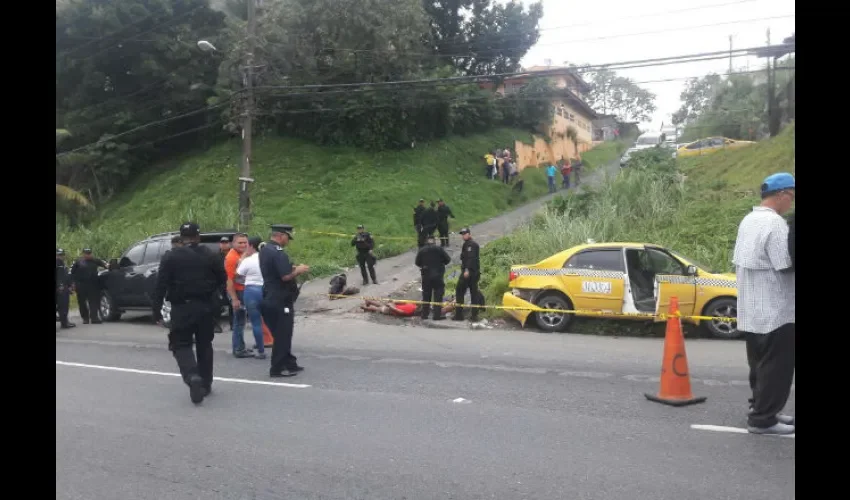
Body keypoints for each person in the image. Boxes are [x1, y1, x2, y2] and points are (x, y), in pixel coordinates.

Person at [732, 172, 796, 435]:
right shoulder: (776, 225)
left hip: (752, 311)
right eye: (791, 196)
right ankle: (763, 420)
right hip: (776, 312)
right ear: (781, 195)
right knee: (776, 368)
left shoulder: (749, 220)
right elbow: (786, 266)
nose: (791, 202)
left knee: (759, 366)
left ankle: (761, 408)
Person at [153, 222, 227, 404]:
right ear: (198, 236)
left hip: (182, 308)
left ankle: (192, 376)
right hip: (205, 307)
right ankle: (206, 383)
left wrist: (156, 312)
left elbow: (160, 286)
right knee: (204, 345)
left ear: (181, 237)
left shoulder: (170, 257)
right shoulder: (210, 255)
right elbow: (222, 279)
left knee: (181, 344)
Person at [259, 224, 310, 377]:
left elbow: (276, 270)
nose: (288, 241)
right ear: (281, 236)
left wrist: (292, 267)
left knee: (281, 333)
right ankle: (277, 368)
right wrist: (299, 270)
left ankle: (290, 362)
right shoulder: (278, 252)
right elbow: (285, 276)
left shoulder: (265, 249)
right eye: (288, 237)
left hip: (270, 297)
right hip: (280, 299)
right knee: (283, 335)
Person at [236, 236, 267, 359]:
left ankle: (261, 351)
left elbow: (238, 276)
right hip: (266, 290)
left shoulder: (248, 261)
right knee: (272, 321)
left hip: (251, 291)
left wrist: (243, 257)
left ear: (252, 246)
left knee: (256, 323)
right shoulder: (266, 258)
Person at [225, 233, 253, 358]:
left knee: (241, 321)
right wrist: (234, 299)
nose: (243, 245)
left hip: (243, 290)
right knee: (239, 321)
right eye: (240, 243)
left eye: (245, 242)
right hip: (237, 292)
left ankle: (239, 347)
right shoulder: (232, 258)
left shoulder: (242, 255)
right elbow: (229, 280)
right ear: (233, 243)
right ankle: (238, 349)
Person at [414, 235, 451, 320]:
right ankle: (437, 315)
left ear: (426, 241)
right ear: (434, 241)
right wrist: (440, 263)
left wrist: (424, 265)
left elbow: (417, 262)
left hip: (426, 276)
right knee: (438, 295)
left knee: (426, 295)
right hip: (438, 275)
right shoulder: (439, 249)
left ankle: (424, 314)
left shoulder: (422, 250)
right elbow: (448, 260)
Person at [453, 228, 483, 322]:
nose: (463, 235)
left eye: (465, 234)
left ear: (469, 234)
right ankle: (474, 316)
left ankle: (459, 315)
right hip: (473, 272)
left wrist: (466, 270)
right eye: (462, 234)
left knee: (460, 290)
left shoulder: (471, 245)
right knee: (473, 292)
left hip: (469, 273)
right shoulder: (468, 244)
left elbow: (471, 258)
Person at [70, 248, 107, 324]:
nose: (88, 255)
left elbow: (105, 265)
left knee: (93, 301)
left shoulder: (95, 260)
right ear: (83, 254)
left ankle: (94, 317)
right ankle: (85, 318)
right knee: (82, 302)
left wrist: (109, 266)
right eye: (86, 253)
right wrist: (73, 284)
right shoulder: (78, 262)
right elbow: (72, 273)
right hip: (81, 285)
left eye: (89, 253)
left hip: (93, 284)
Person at [56, 249, 75, 329]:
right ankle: (64, 323)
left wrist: (70, 285)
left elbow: (66, 276)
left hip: (64, 287)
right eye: (59, 255)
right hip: (60, 287)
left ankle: (64, 322)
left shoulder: (62, 264)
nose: (61, 256)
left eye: (62, 255)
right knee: (62, 305)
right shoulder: (58, 263)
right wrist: (59, 285)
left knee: (64, 306)